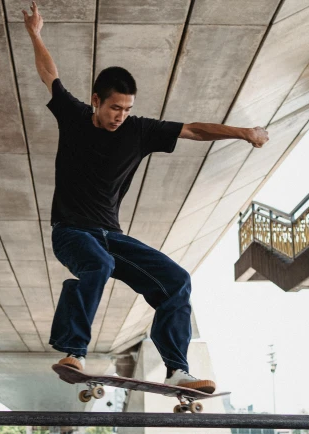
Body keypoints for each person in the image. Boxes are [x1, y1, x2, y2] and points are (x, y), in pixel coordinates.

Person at [23, 2, 269, 393]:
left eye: (127, 109)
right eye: (114, 108)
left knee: (176, 280)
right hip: (70, 231)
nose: (120, 115)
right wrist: (35, 34)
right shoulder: (72, 114)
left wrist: (244, 132)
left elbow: (195, 130)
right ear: (96, 101)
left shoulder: (139, 131)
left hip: (111, 234)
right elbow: (48, 75)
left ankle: (177, 370)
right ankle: (73, 350)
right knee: (98, 264)